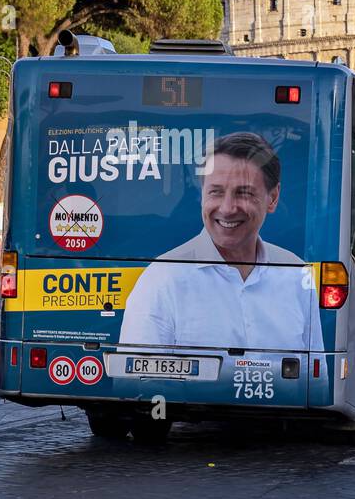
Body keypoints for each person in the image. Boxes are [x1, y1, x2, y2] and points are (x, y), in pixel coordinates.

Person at [119, 132, 322, 353]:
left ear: (272, 198)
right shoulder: (163, 279)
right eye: (216, 192)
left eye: (244, 193)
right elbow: (134, 373)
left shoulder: (296, 275)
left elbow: (313, 372)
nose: (227, 208)